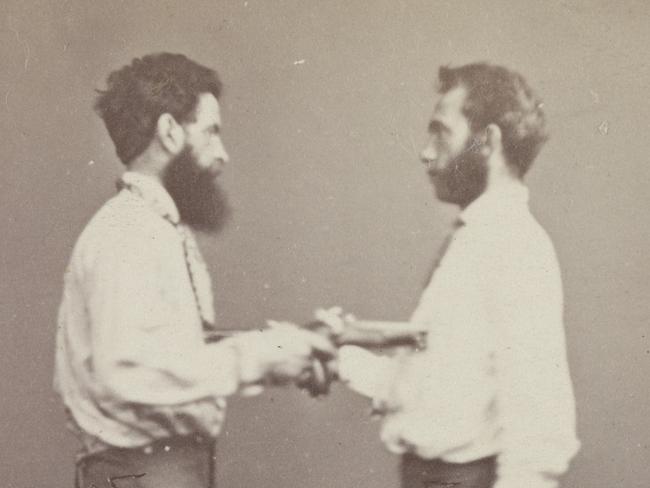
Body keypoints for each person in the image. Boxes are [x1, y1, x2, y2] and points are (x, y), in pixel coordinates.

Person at [53, 52, 335, 488]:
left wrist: (281, 349)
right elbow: (127, 370)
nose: (222, 155)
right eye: (211, 132)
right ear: (169, 132)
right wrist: (254, 359)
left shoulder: (157, 229)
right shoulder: (129, 233)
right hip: (141, 475)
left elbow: (171, 347)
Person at [330, 63, 580, 488]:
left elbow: (540, 423)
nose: (426, 152)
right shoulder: (476, 240)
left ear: (489, 141)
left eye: (440, 132)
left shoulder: (515, 244)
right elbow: (438, 389)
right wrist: (334, 355)